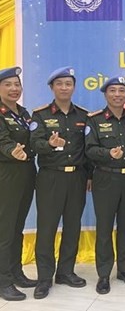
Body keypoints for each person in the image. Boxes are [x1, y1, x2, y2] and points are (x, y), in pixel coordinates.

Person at [30, 66, 91, 299]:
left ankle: (66, 271)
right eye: (60, 84)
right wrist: (50, 144)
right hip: (50, 177)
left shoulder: (83, 116)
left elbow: (88, 150)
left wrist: (90, 176)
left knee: (72, 227)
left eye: (68, 84)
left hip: (76, 177)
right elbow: (34, 144)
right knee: (47, 229)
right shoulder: (41, 115)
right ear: (52, 87)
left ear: (74, 87)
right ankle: (44, 277)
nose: (64, 88)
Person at [85, 77, 125, 294]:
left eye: (122, 90)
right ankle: (103, 274)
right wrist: (107, 153)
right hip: (105, 179)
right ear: (106, 94)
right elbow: (89, 150)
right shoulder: (95, 120)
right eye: (113, 90)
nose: (118, 94)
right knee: (104, 228)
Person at [0, 67, 37, 301]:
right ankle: (4, 281)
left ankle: (16, 272)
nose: (14, 89)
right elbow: (3, 141)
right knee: (5, 229)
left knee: (17, 227)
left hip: (26, 173)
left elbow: (32, 139)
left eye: (17, 85)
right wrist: (12, 151)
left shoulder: (23, 113)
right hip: (7, 173)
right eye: (8, 84)